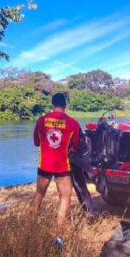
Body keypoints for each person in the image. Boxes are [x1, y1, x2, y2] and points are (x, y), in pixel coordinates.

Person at [30, 93, 81, 242]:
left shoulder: (41, 121)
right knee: (65, 198)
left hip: (44, 165)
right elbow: (76, 146)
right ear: (65, 105)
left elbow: (36, 142)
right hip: (62, 166)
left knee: (39, 194)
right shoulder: (72, 123)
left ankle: (29, 229)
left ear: (52, 104)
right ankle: (58, 236)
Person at [68, 129, 98, 220]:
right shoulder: (71, 123)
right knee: (80, 187)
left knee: (77, 187)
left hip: (67, 159)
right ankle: (90, 213)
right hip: (73, 158)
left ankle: (89, 213)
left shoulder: (47, 123)